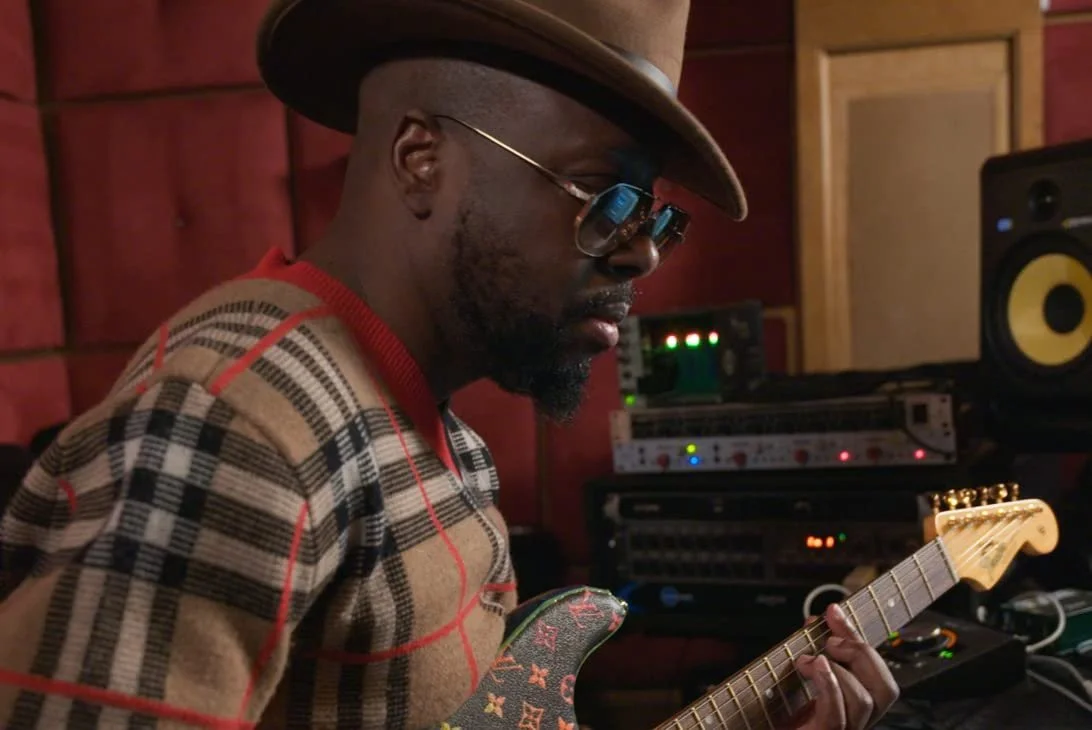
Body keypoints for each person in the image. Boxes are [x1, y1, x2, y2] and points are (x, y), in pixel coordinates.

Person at [0, 0, 899, 727]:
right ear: (420, 158)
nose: (642, 255)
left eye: (654, 215)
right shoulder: (234, 429)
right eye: (609, 195)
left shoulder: (439, 436)